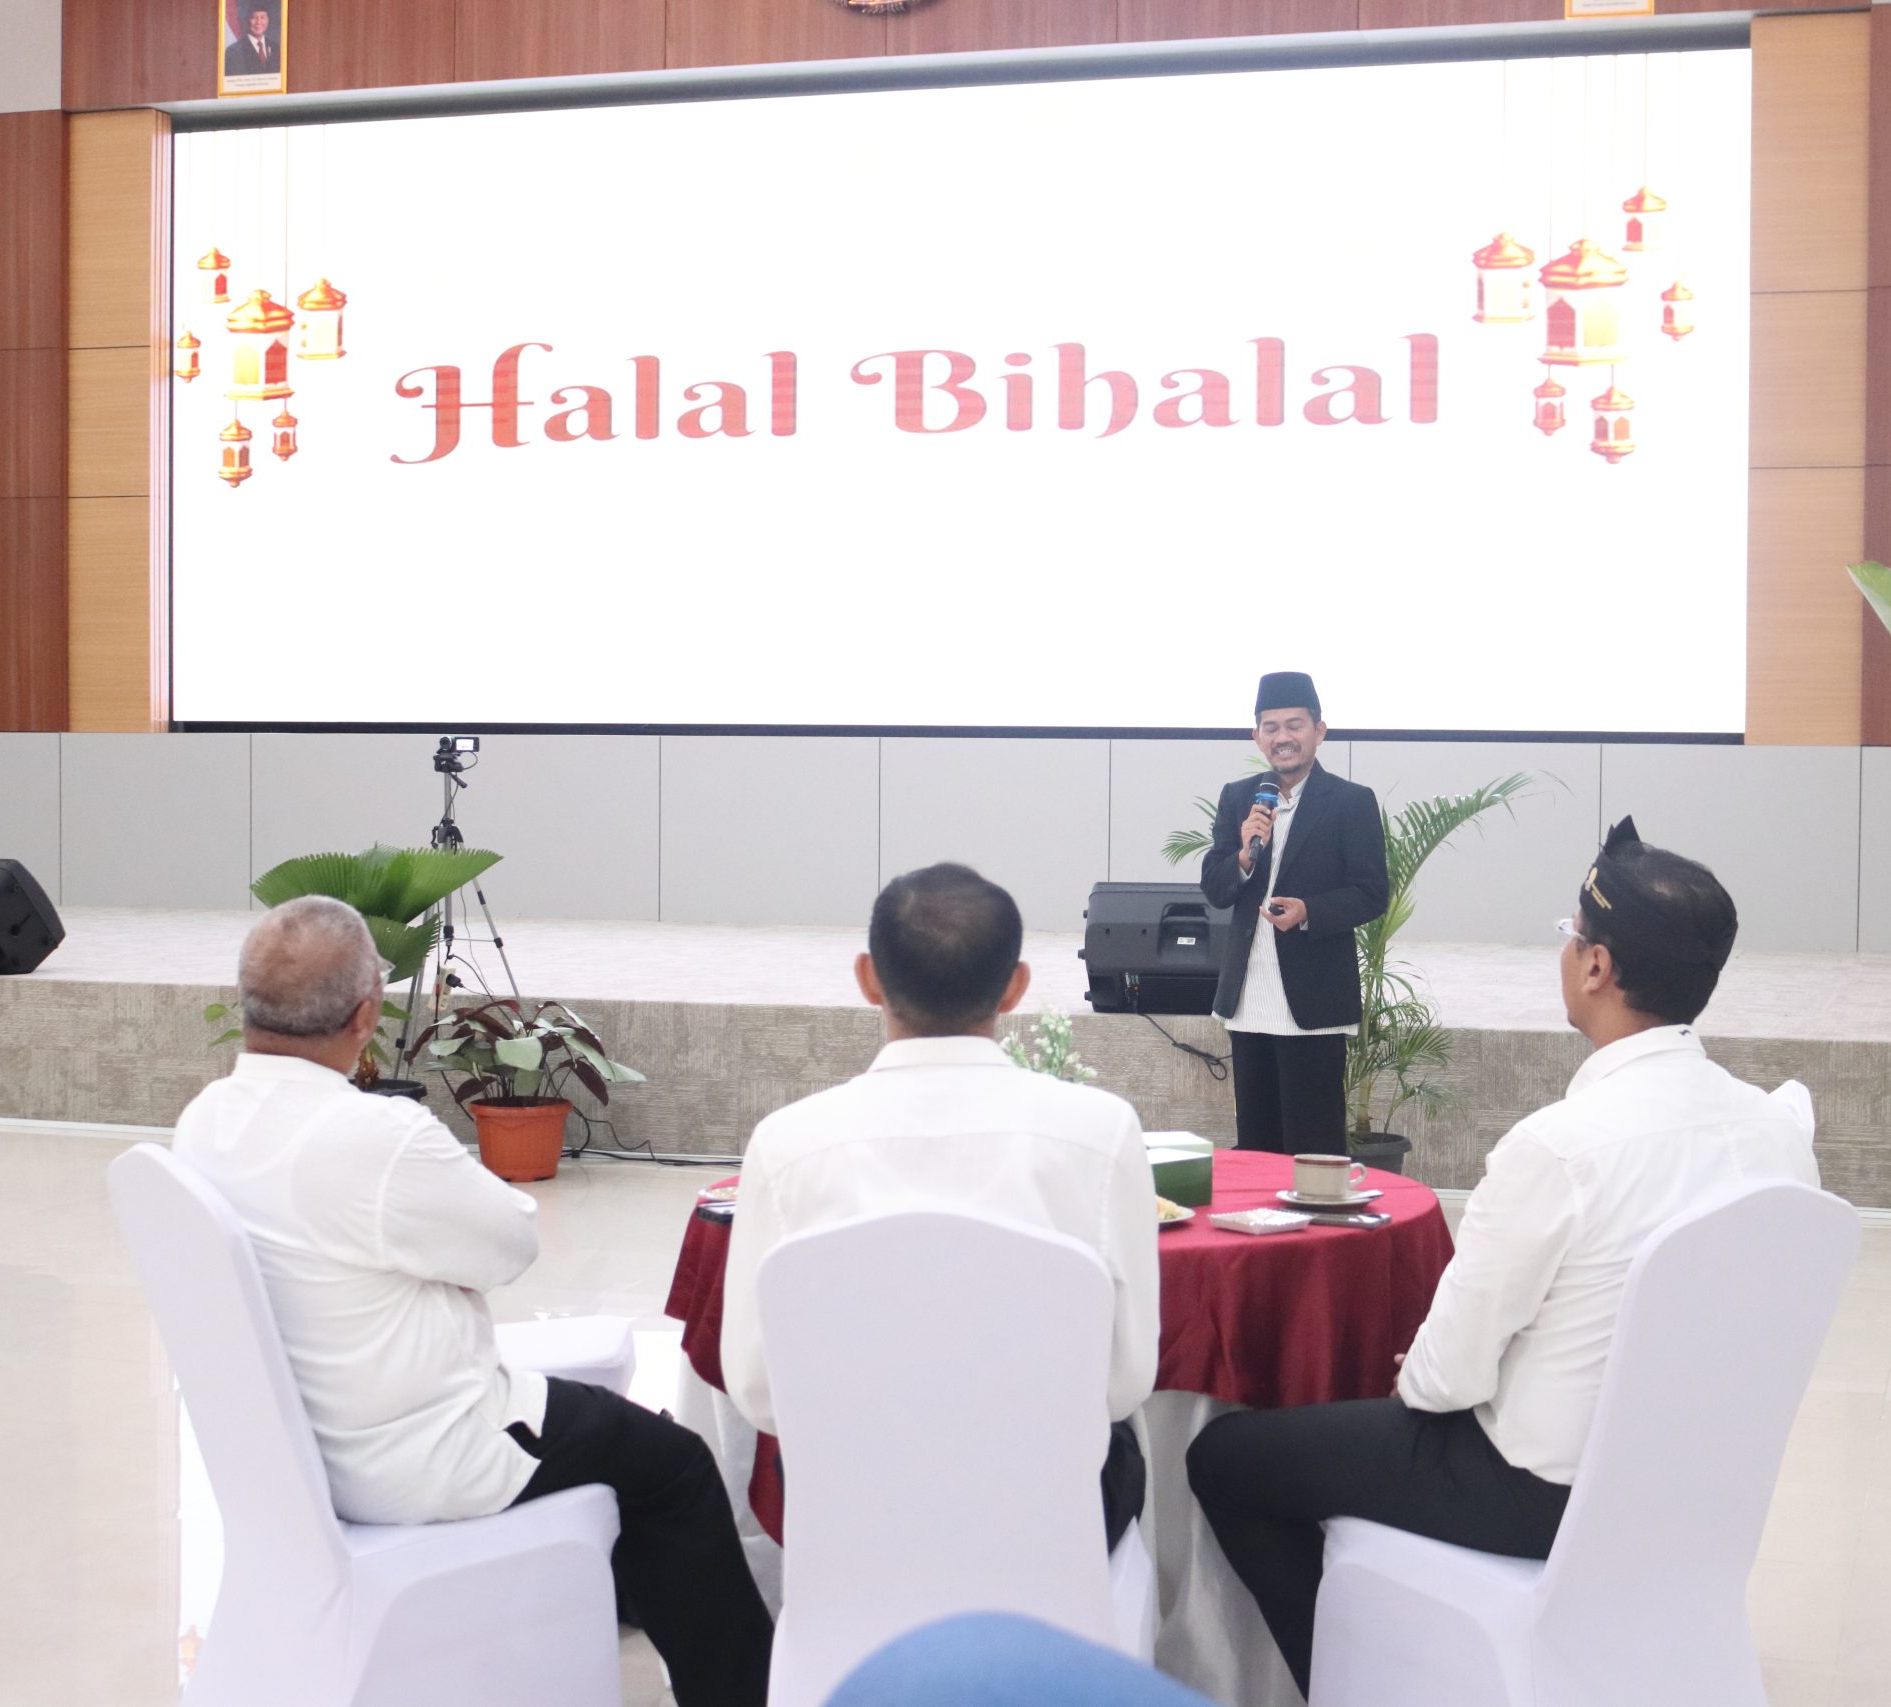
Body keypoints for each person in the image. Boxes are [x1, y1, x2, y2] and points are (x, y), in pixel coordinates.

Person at [1186, 819, 1820, 1696]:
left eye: (1571, 935)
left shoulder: (1559, 1147)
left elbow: (1439, 1383)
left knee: (1228, 1459)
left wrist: (1427, 1368)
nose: (1565, 952)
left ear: (1596, 968)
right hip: (1700, 1489)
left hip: (1539, 1491)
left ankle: (1357, 1684)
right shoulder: (1778, 1132)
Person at [173, 897, 771, 1707]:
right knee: (676, 1467)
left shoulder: (203, 1122)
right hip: (426, 1451)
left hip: (306, 1453)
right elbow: (512, 1242)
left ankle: (594, 1595)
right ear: (365, 1016)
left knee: (617, 1444)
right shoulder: (378, 1138)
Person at [721, 862, 1160, 1547]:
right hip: (1046, 1519)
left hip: (857, 1516)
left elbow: (757, 1388)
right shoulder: (1100, 1133)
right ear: (1016, 986)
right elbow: (1125, 1380)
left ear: (868, 978)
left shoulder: (786, 1146)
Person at [1198, 671, 1389, 1155]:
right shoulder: (1239, 798)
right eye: (1271, 727)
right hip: (1248, 998)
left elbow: (1371, 893)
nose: (1282, 737)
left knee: (1313, 1146)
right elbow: (1215, 887)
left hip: (1313, 1000)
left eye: (1294, 725)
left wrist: (1309, 911)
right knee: (1256, 1146)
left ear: (1319, 731)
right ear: (1256, 736)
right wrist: (1243, 856)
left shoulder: (1351, 802)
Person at [223, 6, 279, 79]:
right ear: (247, 20)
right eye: (254, 18)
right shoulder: (234, 51)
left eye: (262, 17)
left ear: (268, 20)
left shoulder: (276, 47)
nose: (258, 22)